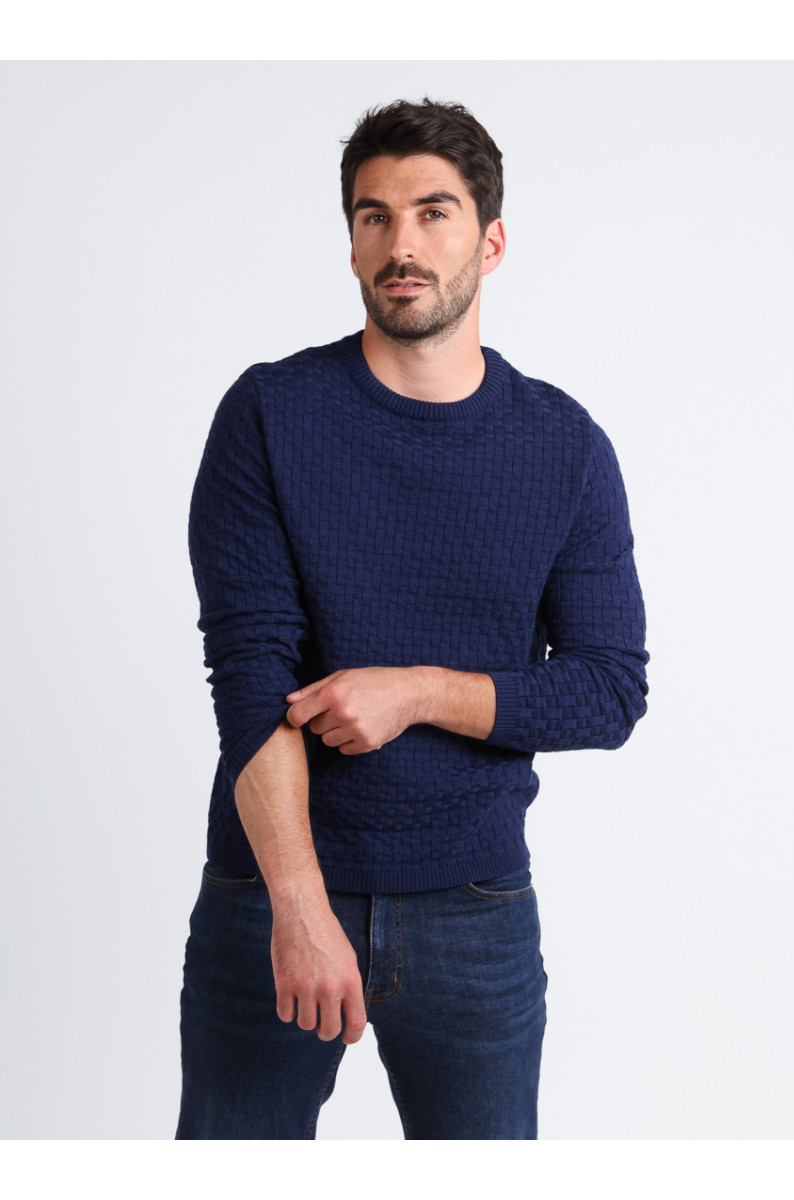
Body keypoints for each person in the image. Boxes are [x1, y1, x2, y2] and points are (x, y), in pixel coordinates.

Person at [175, 97, 649, 1141]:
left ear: (490, 241)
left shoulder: (564, 447)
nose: (402, 244)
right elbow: (249, 673)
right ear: (350, 243)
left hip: (475, 903)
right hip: (271, 894)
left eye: (434, 213)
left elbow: (609, 689)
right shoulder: (268, 414)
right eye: (374, 216)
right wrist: (299, 905)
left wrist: (419, 693)